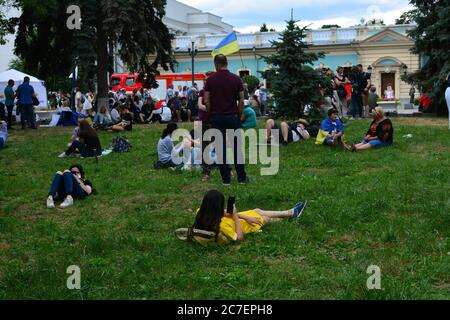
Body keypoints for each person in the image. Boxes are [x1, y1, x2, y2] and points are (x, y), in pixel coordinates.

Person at [183, 190, 308, 245]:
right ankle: (291, 213)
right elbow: (239, 238)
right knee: (264, 218)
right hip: (242, 227)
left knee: (256, 211)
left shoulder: (201, 212)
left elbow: (224, 212)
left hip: (236, 221)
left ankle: (290, 213)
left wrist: (243, 216)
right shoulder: (221, 227)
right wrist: (237, 218)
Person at [204, 54, 248, 186]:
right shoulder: (236, 79)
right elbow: (241, 99)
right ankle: (241, 178)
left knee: (220, 149)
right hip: (232, 117)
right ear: (226, 63)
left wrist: (211, 113)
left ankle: (226, 180)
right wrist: (239, 115)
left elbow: (206, 100)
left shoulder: (210, 80)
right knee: (237, 148)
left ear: (216, 64)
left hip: (217, 117)